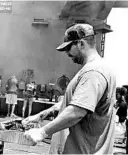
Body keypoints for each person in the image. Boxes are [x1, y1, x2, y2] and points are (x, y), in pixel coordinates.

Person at [23, 24, 116, 154]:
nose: (66, 53)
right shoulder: (95, 69)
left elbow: (77, 111)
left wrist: (42, 132)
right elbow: (73, 101)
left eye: (68, 47)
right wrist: (40, 115)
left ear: (81, 44)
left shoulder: (93, 72)